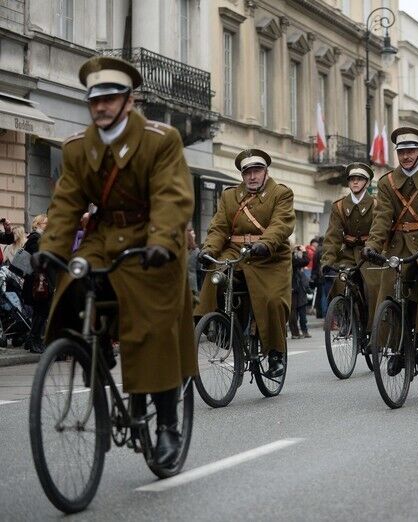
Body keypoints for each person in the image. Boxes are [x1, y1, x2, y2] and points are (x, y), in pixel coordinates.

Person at [33, 56, 197, 466]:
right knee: (72, 283)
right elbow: (67, 201)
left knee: (152, 328)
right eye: (95, 100)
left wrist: (162, 241)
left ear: (129, 101)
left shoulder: (161, 140)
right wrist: (50, 249)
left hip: (151, 241)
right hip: (105, 237)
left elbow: (171, 196)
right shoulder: (77, 147)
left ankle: (167, 426)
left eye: (110, 98)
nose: (101, 107)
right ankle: (95, 347)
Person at [196, 148, 294, 379]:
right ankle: (216, 323)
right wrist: (208, 249)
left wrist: (266, 244)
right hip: (236, 250)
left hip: (270, 255)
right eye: (247, 172)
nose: (252, 176)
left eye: (257, 171)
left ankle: (275, 353)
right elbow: (219, 227)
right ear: (242, 175)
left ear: (265, 172)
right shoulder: (230, 196)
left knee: (271, 300)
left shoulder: (281, 193)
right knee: (215, 271)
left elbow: (282, 224)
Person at [362, 126, 418, 360]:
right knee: (389, 288)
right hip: (398, 245)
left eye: (412, 151)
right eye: (402, 152)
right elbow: (382, 217)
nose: (406, 156)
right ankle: (393, 345)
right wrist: (373, 244)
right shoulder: (387, 182)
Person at [321, 162, 381, 327]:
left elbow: (380, 231)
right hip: (348, 253)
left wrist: (374, 249)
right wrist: (327, 260)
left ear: (367, 183)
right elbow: (332, 236)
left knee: (373, 287)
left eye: (360, 179)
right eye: (352, 179)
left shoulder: (376, 205)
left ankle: (373, 328)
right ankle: (347, 319)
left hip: (371, 254)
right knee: (340, 281)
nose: (355, 182)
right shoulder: (339, 206)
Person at [23, 214, 50, 353]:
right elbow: (37, 259)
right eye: (45, 223)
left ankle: (34, 340)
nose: (48, 225)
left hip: (39, 281)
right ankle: (34, 341)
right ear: (38, 224)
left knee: (40, 312)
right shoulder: (35, 238)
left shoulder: (39, 238)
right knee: (41, 311)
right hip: (37, 282)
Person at [289, 244, 311, 339]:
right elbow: (305, 261)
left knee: (297, 311)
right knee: (294, 312)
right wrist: (304, 251)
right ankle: (298, 332)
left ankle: (297, 332)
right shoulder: (291, 260)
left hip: (296, 288)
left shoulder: (291, 258)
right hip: (294, 288)